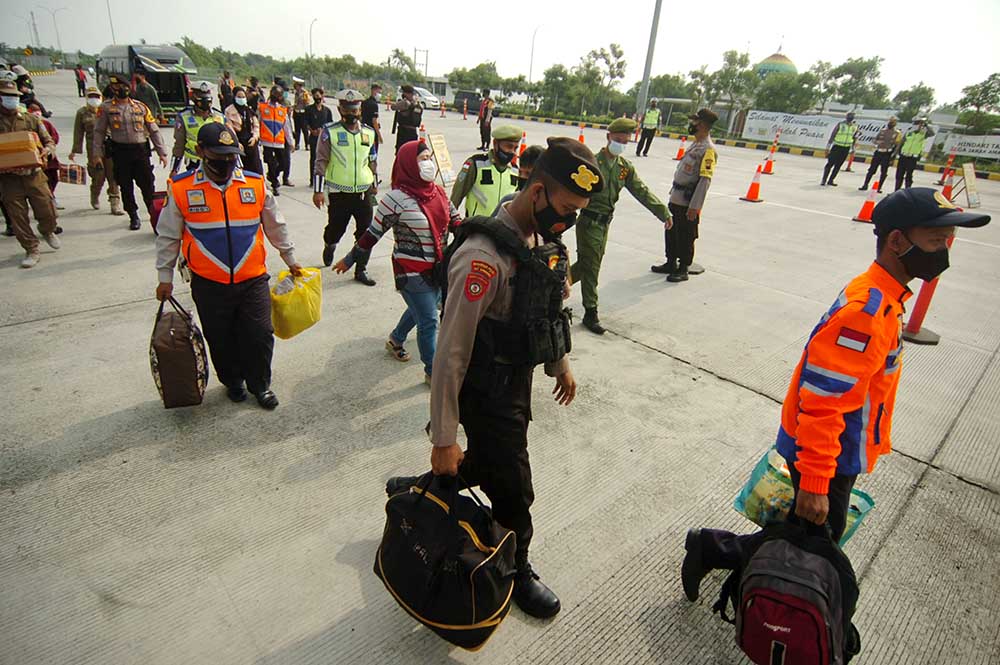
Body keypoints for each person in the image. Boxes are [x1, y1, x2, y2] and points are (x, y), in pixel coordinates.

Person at [679, 187, 991, 603]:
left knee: (803, 533)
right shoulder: (867, 310)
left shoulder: (886, 298)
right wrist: (815, 479)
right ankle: (715, 551)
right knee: (811, 540)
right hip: (828, 453)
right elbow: (825, 399)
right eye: (937, 239)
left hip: (834, 450)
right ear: (896, 241)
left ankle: (716, 551)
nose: (945, 249)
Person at [386, 137, 603, 619]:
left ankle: (417, 486)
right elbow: (450, 351)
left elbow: (546, 307)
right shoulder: (483, 256)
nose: (569, 221)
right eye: (566, 208)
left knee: (488, 461)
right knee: (514, 487)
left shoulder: (539, 238)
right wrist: (444, 436)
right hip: (484, 389)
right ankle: (515, 567)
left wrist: (559, 362)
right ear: (537, 191)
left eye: (578, 213)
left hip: (515, 380)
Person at [154, 123, 304, 410]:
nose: (224, 162)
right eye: (217, 156)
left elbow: (276, 226)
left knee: (260, 334)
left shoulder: (254, 184)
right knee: (220, 337)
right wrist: (165, 276)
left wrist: (291, 259)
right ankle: (233, 381)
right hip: (208, 282)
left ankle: (260, 384)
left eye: (230, 155)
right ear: (200, 151)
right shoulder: (183, 188)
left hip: (252, 278)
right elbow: (168, 236)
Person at [333, 140, 462, 380]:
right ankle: (432, 373)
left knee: (423, 309)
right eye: (421, 159)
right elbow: (372, 234)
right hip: (410, 270)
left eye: (428, 158)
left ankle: (395, 340)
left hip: (438, 269)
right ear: (407, 164)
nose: (428, 163)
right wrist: (350, 259)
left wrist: (483, 233)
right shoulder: (394, 198)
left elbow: (456, 222)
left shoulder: (439, 192)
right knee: (429, 320)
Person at [572, 117, 671, 334]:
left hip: (605, 224)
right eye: (618, 140)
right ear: (608, 137)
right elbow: (575, 191)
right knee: (591, 267)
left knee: (586, 264)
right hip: (589, 222)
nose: (621, 145)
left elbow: (641, 191)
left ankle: (553, 284)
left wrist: (662, 212)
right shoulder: (592, 163)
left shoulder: (624, 168)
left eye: (625, 142)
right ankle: (591, 311)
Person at [311, 89, 378, 286]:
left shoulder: (368, 132)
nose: (351, 113)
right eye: (347, 110)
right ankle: (329, 245)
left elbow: (372, 160)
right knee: (335, 230)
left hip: (363, 192)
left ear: (360, 110)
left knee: (366, 232)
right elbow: (320, 162)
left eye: (354, 110)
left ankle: (361, 268)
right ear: (340, 109)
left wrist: (373, 184)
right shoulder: (329, 132)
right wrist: (318, 191)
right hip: (339, 193)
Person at [93, 74, 168, 231]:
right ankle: (133, 215)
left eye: (124, 86)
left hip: (140, 151)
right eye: (117, 87)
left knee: (148, 185)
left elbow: (153, 130)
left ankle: (153, 215)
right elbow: (99, 132)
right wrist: (97, 154)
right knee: (125, 186)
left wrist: (162, 152)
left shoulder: (140, 107)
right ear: (112, 89)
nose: (121, 89)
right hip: (120, 152)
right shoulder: (106, 108)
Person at [652, 108, 717, 282]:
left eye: (694, 122)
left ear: (702, 124)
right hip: (677, 196)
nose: (691, 125)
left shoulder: (707, 149)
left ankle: (683, 268)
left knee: (686, 235)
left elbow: (704, 180)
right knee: (671, 230)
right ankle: (670, 262)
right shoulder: (695, 144)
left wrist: (695, 206)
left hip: (688, 201)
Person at [0, 78, 60, 268]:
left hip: (34, 175)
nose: (11, 100)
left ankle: (47, 230)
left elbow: (48, 141)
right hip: (9, 178)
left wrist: (47, 150)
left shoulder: (31, 119)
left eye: (14, 96)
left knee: (48, 211)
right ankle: (31, 248)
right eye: (7, 96)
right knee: (17, 217)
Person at [69, 86, 123, 215]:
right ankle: (95, 195)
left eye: (96, 96)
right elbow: (78, 132)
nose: (94, 99)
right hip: (93, 149)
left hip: (110, 147)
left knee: (113, 175)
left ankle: (115, 203)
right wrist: (75, 150)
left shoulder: (108, 110)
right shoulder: (82, 113)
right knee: (98, 175)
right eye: (91, 96)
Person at [450, 124, 521, 218]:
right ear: (495, 144)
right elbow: (456, 197)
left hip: (502, 230)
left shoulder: (515, 171)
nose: (512, 152)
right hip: (476, 229)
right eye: (509, 146)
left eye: (515, 148)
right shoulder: (475, 164)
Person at [171, 81, 225, 174]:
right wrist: (174, 169)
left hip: (216, 161)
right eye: (201, 99)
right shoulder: (184, 117)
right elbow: (179, 145)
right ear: (194, 98)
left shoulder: (219, 116)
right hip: (194, 163)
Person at [257, 85, 294, 196]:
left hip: (279, 141)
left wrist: (291, 142)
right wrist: (257, 137)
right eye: (275, 94)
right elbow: (258, 122)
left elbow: (286, 127)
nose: (276, 96)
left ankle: (272, 175)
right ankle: (275, 184)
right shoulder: (262, 107)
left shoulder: (282, 110)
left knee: (282, 163)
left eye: (278, 95)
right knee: (271, 163)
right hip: (266, 141)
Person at [26, 102, 62, 209]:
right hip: (35, 157)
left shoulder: (46, 124)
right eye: (33, 112)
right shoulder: (27, 125)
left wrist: (48, 148)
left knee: (53, 178)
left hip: (48, 157)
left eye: (38, 111)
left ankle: (51, 196)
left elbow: (53, 137)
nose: (37, 114)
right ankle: (46, 200)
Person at [494, 144, 544, 212]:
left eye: (528, 174)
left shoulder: (553, 208)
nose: (522, 177)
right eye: (520, 172)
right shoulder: (508, 202)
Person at [224, 86, 263, 175]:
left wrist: (255, 137)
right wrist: (236, 142)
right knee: (239, 168)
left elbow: (256, 125)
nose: (241, 99)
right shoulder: (229, 111)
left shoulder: (249, 110)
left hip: (250, 141)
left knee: (256, 166)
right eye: (239, 97)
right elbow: (229, 128)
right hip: (237, 141)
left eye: (243, 97)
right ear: (234, 97)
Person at [860, 116, 901, 192]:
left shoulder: (897, 133)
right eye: (890, 121)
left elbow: (897, 145)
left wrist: (894, 155)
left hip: (887, 153)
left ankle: (879, 188)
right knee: (871, 170)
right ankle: (865, 185)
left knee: (884, 172)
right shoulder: (882, 131)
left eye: (892, 122)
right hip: (878, 152)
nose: (890, 123)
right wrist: (877, 142)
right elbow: (875, 140)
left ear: (895, 124)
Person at [895, 117, 935, 192]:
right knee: (899, 175)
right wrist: (896, 153)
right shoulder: (909, 131)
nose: (916, 125)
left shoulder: (923, 133)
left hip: (913, 158)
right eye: (915, 123)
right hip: (903, 156)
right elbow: (902, 142)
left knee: (909, 176)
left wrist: (926, 125)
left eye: (918, 123)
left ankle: (907, 192)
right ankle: (896, 191)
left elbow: (932, 133)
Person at [821, 111, 859, 187]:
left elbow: (855, 138)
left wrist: (853, 149)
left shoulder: (855, 127)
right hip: (837, 147)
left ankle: (831, 180)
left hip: (846, 148)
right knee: (830, 164)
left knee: (838, 165)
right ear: (846, 116)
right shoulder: (840, 124)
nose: (850, 117)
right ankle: (824, 180)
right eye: (849, 115)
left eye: (852, 116)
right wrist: (827, 148)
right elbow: (832, 136)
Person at [303, 87, 332, 176]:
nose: (317, 98)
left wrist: (323, 131)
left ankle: (324, 176)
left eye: (319, 96)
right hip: (314, 137)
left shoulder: (327, 110)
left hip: (324, 138)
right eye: (315, 96)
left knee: (325, 157)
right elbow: (305, 122)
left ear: (322, 96)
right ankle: (313, 178)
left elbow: (330, 124)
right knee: (314, 158)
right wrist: (312, 131)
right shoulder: (309, 109)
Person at [391, 84, 423, 153]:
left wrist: (399, 101)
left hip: (404, 132)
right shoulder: (418, 104)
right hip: (413, 132)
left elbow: (393, 107)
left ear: (406, 93)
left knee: (401, 151)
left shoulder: (405, 103)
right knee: (411, 152)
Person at [361, 84, 384, 177]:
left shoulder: (364, 102)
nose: (379, 94)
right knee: (372, 154)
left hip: (364, 131)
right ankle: (371, 175)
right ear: (373, 91)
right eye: (378, 92)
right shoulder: (374, 105)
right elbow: (374, 121)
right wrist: (379, 135)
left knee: (364, 151)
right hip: (371, 133)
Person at [291, 76, 309, 150]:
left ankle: (307, 144)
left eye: (296, 85)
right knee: (297, 130)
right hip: (296, 113)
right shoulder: (296, 93)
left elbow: (307, 103)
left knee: (305, 130)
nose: (295, 86)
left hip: (303, 113)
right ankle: (297, 144)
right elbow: (296, 103)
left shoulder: (304, 93)